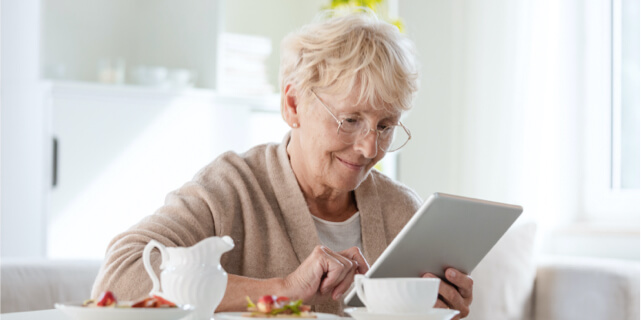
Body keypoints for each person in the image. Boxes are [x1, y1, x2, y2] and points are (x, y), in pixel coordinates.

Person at [91, 11, 473, 318]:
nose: (369, 147)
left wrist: (441, 311)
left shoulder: (401, 210)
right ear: (293, 105)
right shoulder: (232, 187)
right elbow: (121, 275)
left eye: (386, 126)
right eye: (350, 120)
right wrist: (282, 289)